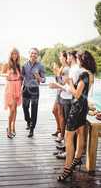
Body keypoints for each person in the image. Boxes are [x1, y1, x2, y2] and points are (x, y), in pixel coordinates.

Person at [50, 50, 96, 181]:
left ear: (82, 60)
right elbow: (83, 93)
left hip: (76, 109)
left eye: (78, 58)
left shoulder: (83, 75)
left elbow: (76, 94)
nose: (76, 59)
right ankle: (76, 160)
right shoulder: (90, 74)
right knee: (81, 134)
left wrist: (69, 82)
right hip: (84, 108)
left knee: (68, 139)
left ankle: (67, 170)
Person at [22, 48, 46, 137]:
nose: (33, 55)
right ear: (29, 54)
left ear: (37, 55)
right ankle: (28, 121)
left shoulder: (40, 66)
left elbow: (44, 80)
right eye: (32, 53)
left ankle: (32, 128)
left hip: (35, 89)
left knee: (34, 109)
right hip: (25, 89)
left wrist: (39, 78)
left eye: (35, 53)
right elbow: (21, 77)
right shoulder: (24, 65)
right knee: (25, 107)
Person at [2, 48, 22, 139]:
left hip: (17, 87)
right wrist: (7, 75)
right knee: (12, 109)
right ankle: (9, 128)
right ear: (10, 55)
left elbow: (20, 77)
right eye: (13, 54)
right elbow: (1, 73)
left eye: (16, 54)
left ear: (18, 55)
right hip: (10, 87)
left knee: (15, 109)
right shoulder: (7, 64)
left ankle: (13, 126)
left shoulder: (18, 65)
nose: (14, 55)